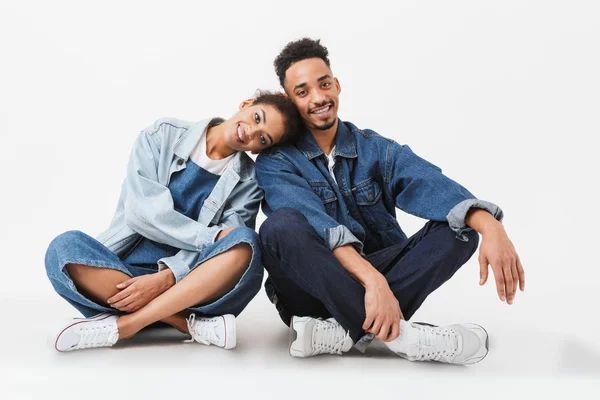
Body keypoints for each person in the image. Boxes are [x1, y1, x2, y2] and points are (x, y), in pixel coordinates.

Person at [256, 38, 525, 364]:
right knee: (279, 227)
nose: (318, 98)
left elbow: (430, 184)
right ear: (290, 101)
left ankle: (337, 332)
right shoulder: (276, 161)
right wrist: (374, 281)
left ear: (337, 86)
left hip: (375, 277)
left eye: (324, 84)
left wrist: (492, 227)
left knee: (461, 229)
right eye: (303, 92)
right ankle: (403, 338)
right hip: (308, 291)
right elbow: (318, 226)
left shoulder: (375, 149)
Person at [45, 91, 302, 352]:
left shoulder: (249, 182)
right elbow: (141, 213)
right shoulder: (162, 134)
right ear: (247, 104)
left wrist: (168, 278)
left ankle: (126, 325)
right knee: (62, 248)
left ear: (260, 149)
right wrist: (206, 237)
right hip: (123, 280)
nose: (250, 132)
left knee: (245, 241)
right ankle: (184, 324)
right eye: (257, 117)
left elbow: (228, 243)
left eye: (262, 138)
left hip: (193, 290)